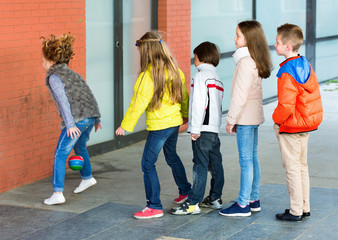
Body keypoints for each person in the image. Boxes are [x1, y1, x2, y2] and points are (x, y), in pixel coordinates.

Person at [115, 31, 191, 219]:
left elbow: (137, 103)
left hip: (160, 127)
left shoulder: (147, 76)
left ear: (146, 51)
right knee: (171, 156)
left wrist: (126, 125)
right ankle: (186, 191)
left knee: (147, 164)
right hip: (173, 123)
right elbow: (184, 97)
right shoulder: (175, 70)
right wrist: (185, 115)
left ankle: (154, 206)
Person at [219, 20, 272, 217]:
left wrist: (231, 119)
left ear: (249, 38)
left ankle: (243, 204)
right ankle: (253, 199)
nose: (234, 39)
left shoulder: (245, 62)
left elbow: (239, 95)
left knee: (246, 160)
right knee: (252, 158)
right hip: (253, 117)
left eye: (238, 35)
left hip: (245, 119)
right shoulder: (254, 59)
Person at [41, 33, 102, 205]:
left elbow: (64, 102)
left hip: (77, 120)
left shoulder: (55, 77)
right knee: (80, 147)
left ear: (52, 62)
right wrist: (96, 118)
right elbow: (87, 94)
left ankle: (57, 193)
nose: (42, 63)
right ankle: (88, 177)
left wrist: (70, 124)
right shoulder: (72, 73)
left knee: (60, 153)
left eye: (43, 60)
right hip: (89, 117)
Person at [273, 23, 323, 222]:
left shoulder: (286, 72)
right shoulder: (305, 64)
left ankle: (295, 211)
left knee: (291, 168)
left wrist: (276, 121)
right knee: (302, 166)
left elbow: (285, 105)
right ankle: (304, 207)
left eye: (277, 42)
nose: (275, 45)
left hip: (291, 126)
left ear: (287, 47)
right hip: (306, 123)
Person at [171, 42, 224, 215]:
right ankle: (215, 197)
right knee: (215, 164)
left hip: (202, 128)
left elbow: (199, 103)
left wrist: (195, 127)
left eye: (195, 56)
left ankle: (193, 203)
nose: (194, 59)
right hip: (214, 129)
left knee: (199, 165)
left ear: (201, 57)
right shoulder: (217, 77)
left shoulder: (200, 76)